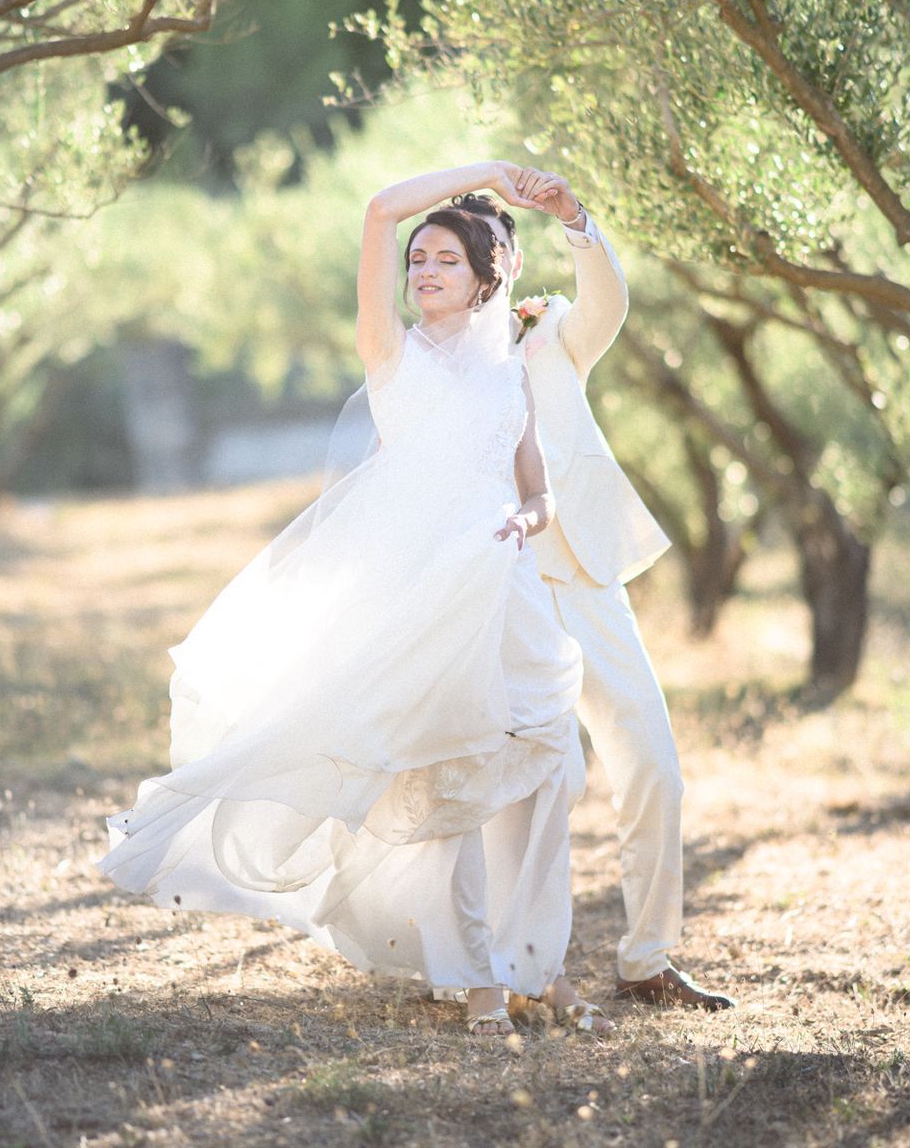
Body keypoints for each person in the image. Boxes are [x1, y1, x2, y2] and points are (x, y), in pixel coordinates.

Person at [98, 162, 615, 1037]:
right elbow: (378, 211)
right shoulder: (391, 351)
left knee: (552, 766)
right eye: (419, 260)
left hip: (502, 590)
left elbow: (539, 491)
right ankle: (481, 978)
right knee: (446, 780)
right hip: (418, 598)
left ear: (490, 276)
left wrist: (525, 523)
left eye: (446, 259)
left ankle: (540, 965)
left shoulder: (513, 373)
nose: (424, 272)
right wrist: (487, 175)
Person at [452, 179, 736, 1011]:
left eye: (493, 244)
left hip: (586, 577)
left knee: (652, 760)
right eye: (463, 247)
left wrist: (576, 221)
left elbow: (607, 304)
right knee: (529, 786)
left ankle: (647, 959)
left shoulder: (551, 336)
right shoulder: (441, 349)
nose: (483, 259)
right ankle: (494, 965)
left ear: (507, 258)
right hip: (500, 588)